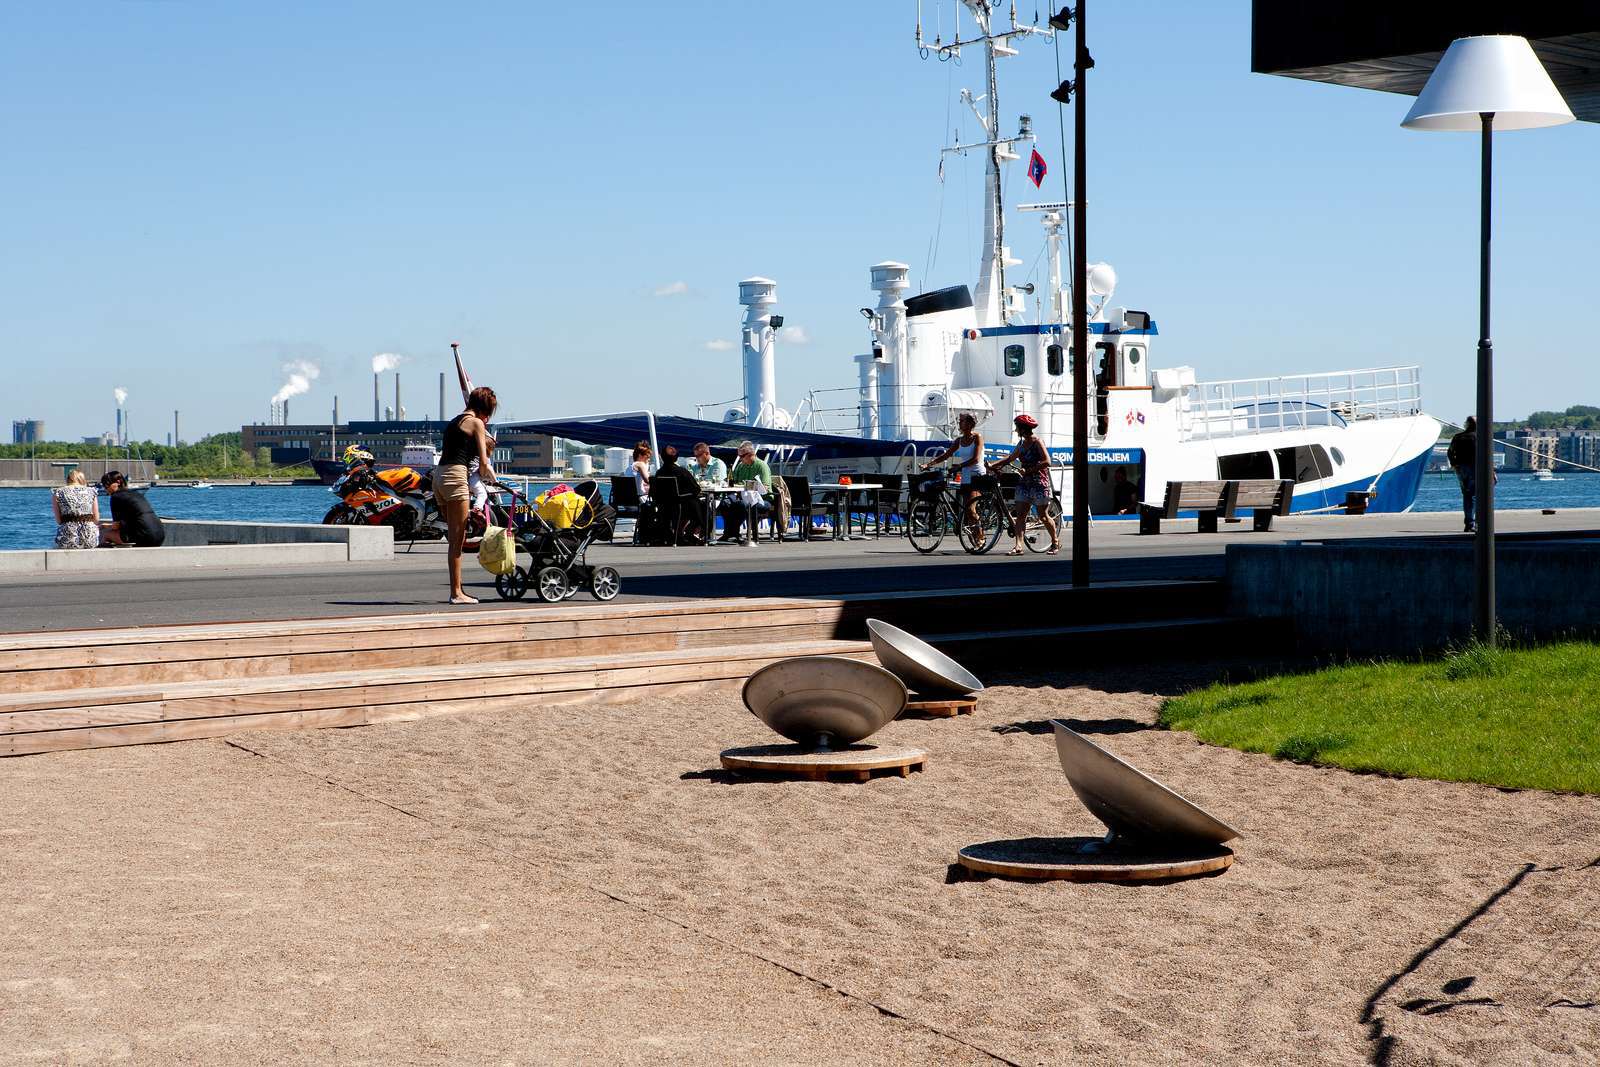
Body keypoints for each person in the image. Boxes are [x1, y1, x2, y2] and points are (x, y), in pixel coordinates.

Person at [434, 386, 499, 604]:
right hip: (455, 476)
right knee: (457, 539)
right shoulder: (477, 423)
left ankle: (456, 590)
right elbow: (483, 462)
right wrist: (490, 476)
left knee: (455, 537)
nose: (488, 418)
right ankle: (456, 593)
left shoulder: (455, 421)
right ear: (484, 409)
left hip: (439, 477)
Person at [987, 414, 1061, 556]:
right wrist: (992, 465)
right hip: (1025, 483)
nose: (1016, 431)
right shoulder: (1021, 444)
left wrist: (1029, 470)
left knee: (1043, 516)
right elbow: (1010, 458)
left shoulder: (1037, 442)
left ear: (1023, 428)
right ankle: (1018, 546)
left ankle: (1055, 541)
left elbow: (1047, 461)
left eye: (1017, 428)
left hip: (1039, 483)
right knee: (1021, 515)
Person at [921, 412, 985, 539]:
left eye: (962, 421)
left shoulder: (977, 437)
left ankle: (980, 537)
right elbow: (946, 455)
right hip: (966, 476)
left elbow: (976, 459)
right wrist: (929, 464)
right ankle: (975, 536)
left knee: (971, 509)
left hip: (977, 475)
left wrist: (959, 467)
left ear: (970, 423)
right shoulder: (959, 440)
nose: (959, 423)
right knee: (967, 510)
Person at [720, 440, 772, 546]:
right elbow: (733, 481)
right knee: (725, 503)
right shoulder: (740, 466)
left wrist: (746, 487)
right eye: (739, 456)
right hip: (742, 496)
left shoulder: (762, 466)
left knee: (742, 505)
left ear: (750, 454)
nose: (740, 458)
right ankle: (730, 532)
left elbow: (765, 487)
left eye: (742, 456)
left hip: (762, 499)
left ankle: (733, 532)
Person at [648, 445, 704, 544]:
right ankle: (692, 533)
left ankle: (678, 534)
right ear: (676, 457)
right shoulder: (682, 472)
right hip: (680, 507)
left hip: (663, 507)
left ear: (662, 457)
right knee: (701, 505)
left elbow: (654, 492)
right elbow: (696, 489)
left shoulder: (659, 473)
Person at [98, 471, 165, 547]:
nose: (106, 489)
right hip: (160, 535)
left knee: (106, 534)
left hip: (144, 537)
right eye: (104, 486)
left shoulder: (116, 497)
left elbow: (116, 526)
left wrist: (105, 526)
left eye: (107, 485)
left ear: (118, 482)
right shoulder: (136, 494)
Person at [51, 469, 99, 549]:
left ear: (68, 480)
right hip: (89, 537)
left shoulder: (58, 492)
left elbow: (59, 521)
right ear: (82, 480)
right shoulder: (91, 491)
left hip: (68, 536)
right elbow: (96, 519)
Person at [1448, 416, 1478, 533]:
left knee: (1467, 495)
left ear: (1467, 424)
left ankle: (1469, 522)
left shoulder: (1458, 437)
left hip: (1462, 469)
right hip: (1476, 468)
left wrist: (1455, 465)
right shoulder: (1479, 437)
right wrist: (1492, 471)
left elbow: (1450, 452)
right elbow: (1486, 455)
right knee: (1476, 496)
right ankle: (1473, 522)